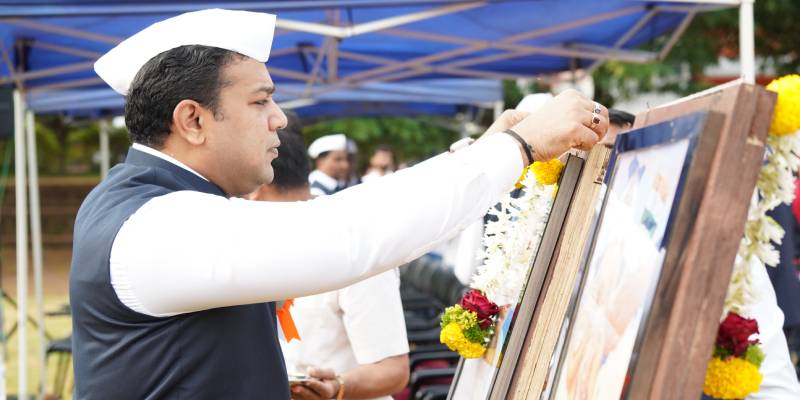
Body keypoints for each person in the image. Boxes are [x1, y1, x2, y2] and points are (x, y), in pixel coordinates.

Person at [71, 8, 608, 399]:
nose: (279, 118)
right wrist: (517, 147)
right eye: (260, 101)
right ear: (192, 120)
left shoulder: (145, 203)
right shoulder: (154, 223)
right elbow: (348, 234)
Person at [249, 117, 409, 400]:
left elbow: (392, 371)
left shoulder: (352, 247)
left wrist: (337, 387)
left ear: (255, 192)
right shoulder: (255, 245)